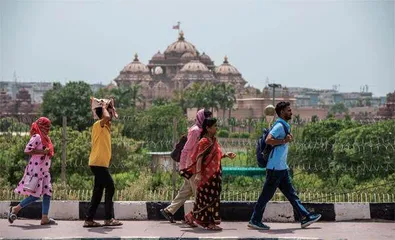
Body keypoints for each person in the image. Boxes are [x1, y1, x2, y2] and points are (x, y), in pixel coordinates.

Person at [248, 102, 321, 230]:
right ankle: (255, 220)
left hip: (281, 167)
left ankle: (305, 217)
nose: (291, 112)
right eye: (288, 110)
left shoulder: (284, 125)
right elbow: (268, 140)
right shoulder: (280, 126)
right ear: (282, 112)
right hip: (275, 168)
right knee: (266, 196)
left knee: (291, 194)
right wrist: (284, 141)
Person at [160, 109, 212, 223]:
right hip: (191, 166)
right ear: (202, 118)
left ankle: (169, 211)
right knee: (199, 193)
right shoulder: (196, 131)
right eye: (207, 118)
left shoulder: (202, 131)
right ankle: (193, 217)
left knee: (186, 190)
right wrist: (182, 166)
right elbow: (186, 150)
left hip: (194, 166)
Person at [184, 118, 236, 230]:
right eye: (214, 126)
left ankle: (190, 217)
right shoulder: (204, 141)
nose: (216, 128)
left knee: (208, 200)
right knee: (207, 200)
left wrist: (226, 155)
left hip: (215, 175)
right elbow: (199, 158)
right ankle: (209, 223)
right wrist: (198, 174)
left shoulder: (213, 140)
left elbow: (215, 156)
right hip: (206, 177)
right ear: (208, 128)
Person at [8, 117, 56, 225]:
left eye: (49, 126)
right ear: (40, 126)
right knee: (35, 195)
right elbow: (27, 150)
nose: (48, 129)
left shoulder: (46, 137)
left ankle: (44, 218)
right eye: (46, 126)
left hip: (45, 171)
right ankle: (16, 209)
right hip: (36, 171)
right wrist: (43, 152)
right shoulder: (37, 136)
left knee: (47, 193)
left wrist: (45, 153)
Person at [83, 100, 122, 227]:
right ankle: (108, 218)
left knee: (98, 191)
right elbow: (105, 116)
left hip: (100, 164)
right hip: (98, 163)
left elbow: (110, 118)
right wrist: (104, 107)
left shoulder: (105, 126)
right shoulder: (98, 124)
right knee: (110, 186)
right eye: (109, 112)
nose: (110, 115)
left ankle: (89, 219)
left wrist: (111, 108)